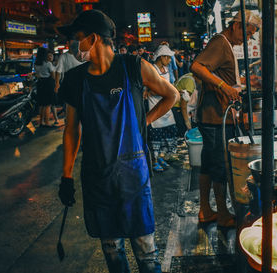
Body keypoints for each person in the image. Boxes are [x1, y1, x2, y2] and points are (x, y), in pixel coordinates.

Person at [57, 10, 178, 273]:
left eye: (77, 38)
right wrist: (66, 176)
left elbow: (172, 95)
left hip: (133, 176)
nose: (73, 46)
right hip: (98, 176)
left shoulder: (134, 66)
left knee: (146, 252)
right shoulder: (76, 79)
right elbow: (71, 130)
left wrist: (143, 121)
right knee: (113, 251)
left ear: (93, 38)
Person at [190, 10, 261, 228]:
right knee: (219, 166)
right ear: (237, 25)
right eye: (247, 33)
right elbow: (197, 67)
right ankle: (221, 213)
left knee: (208, 165)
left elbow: (218, 74)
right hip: (215, 118)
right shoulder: (220, 42)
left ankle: (206, 210)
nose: (247, 39)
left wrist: (234, 83)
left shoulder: (226, 45)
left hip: (214, 116)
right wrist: (224, 86)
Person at [146, 44, 178, 172]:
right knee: (156, 135)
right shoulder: (152, 69)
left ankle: (160, 157)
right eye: (168, 58)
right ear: (161, 57)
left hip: (166, 107)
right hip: (154, 105)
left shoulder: (166, 69)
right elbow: (151, 88)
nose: (170, 61)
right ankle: (154, 161)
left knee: (169, 131)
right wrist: (166, 92)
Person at [172, 72, 199, 137]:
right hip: (176, 107)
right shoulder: (190, 82)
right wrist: (187, 122)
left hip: (176, 106)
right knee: (182, 132)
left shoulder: (190, 75)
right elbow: (183, 105)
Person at [35, 47, 56, 127]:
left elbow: (37, 75)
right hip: (48, 84)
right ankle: (47, 122)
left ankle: (41, 122)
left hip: (40, 84)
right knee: (47, 105)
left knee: (41, 104)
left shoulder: (36, 63)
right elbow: (53, 76)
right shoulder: (48, 63)